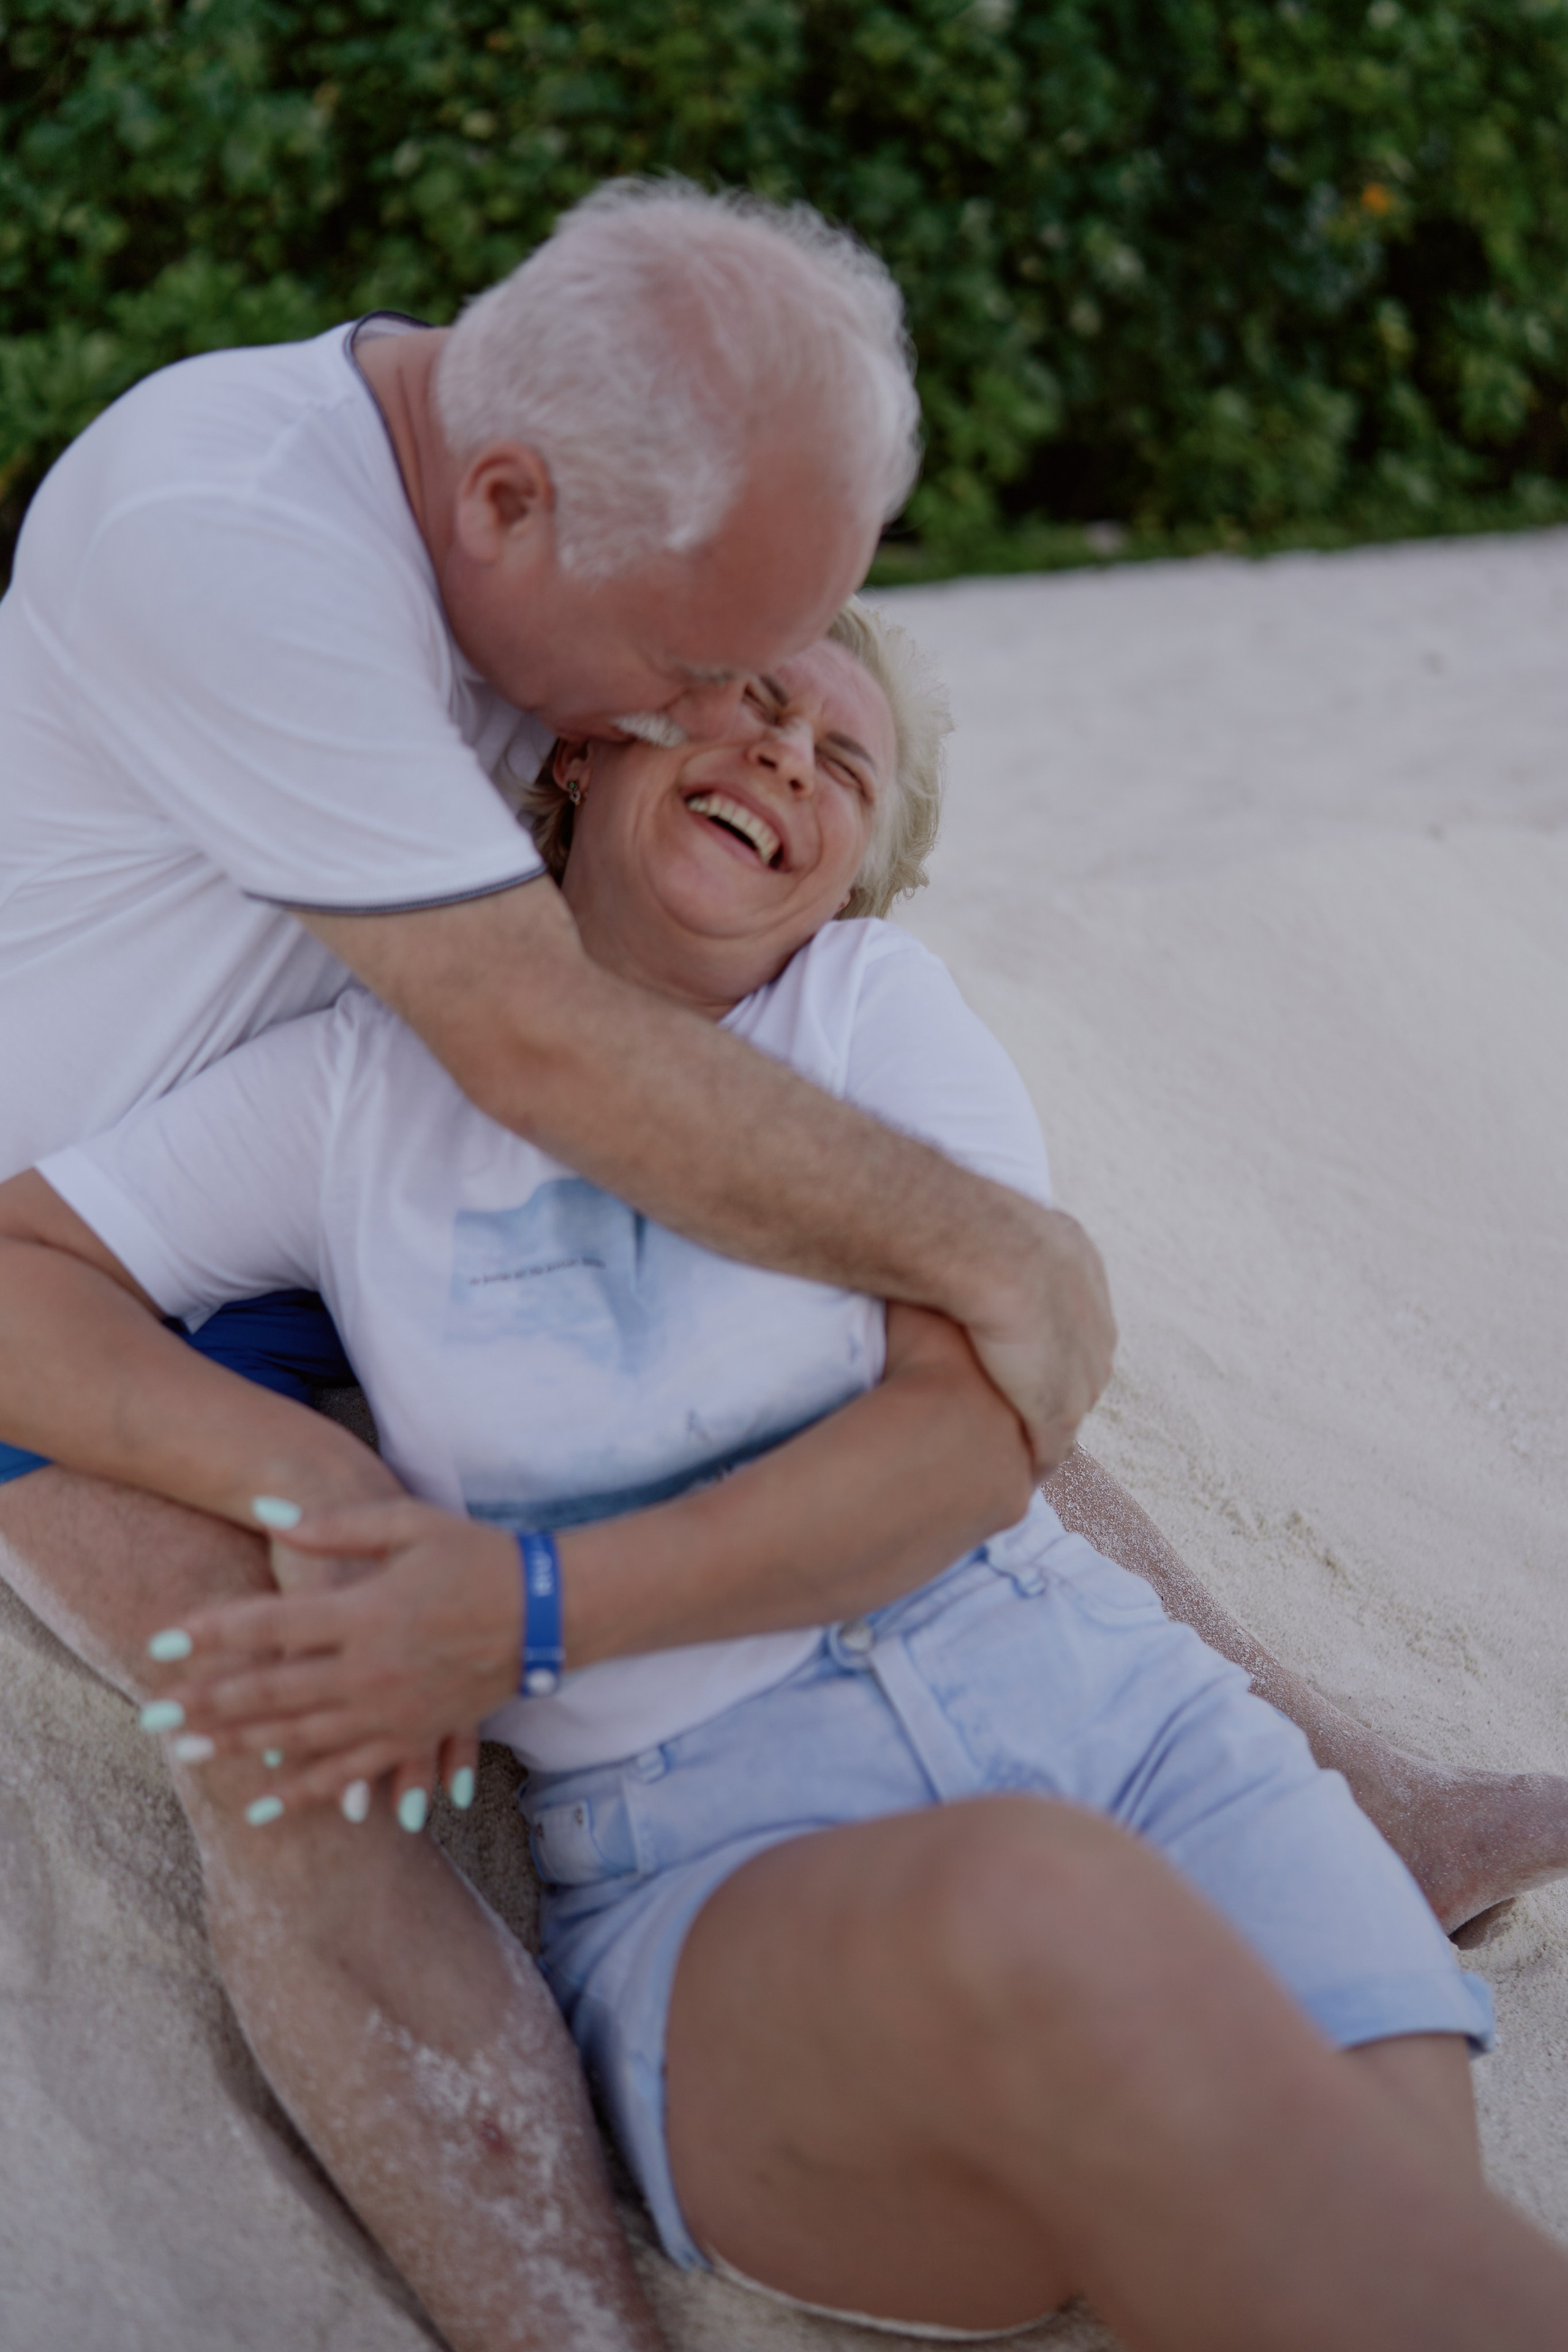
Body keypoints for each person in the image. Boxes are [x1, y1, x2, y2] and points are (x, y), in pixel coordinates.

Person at [2, 603, 1564, 2351]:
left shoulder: (868, 1014)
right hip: (726, 1867)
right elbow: (21, 1278)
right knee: (1039, 1911)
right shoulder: (363, 1091)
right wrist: (307, 1476)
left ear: (846, 882)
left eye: (844, 767)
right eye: (746, 706)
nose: (784, 761)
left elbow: (971, 1446)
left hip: (1160, 1748)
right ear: (587, 754)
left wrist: (520, 1607)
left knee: (1396, 2254)